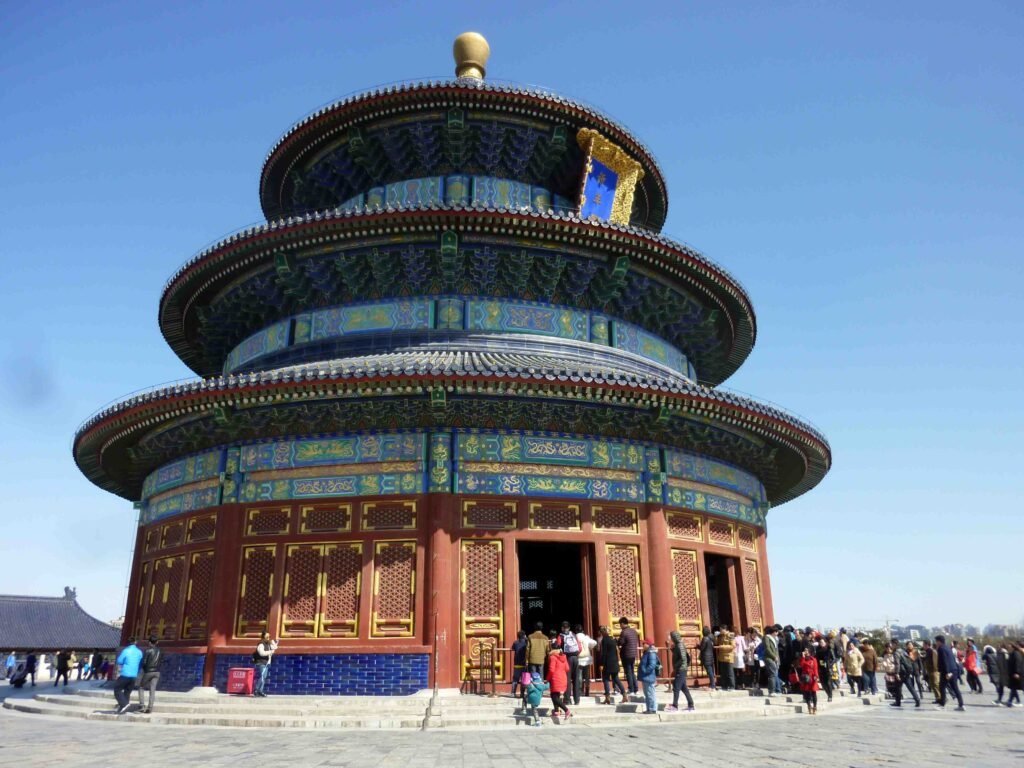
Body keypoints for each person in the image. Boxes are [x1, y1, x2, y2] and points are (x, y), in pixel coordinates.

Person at [665, 631, 695, 712]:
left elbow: (682, 658)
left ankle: (675, 705)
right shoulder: (678, 645)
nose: (671, 638)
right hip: (682, 668)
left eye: (672, 637)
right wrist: (672, 649)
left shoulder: (680, 646)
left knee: (676, 687)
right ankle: (691, 704)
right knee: (684, 688)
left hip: (681, 669)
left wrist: (676, 667)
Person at [111, 638, 143, 714]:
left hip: (125, 673)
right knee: (127, 692)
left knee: (117, 689)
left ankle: (125, 704)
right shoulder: (139, 652)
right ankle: (123, 708)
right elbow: (140, 661)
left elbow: (119, 661)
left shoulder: (126, 651)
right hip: (134, 674)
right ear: (135, 642)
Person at [597, 625, 626, 704]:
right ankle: (624, 694)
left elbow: (604, 653)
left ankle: (607, 697)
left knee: (605, 679)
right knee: (616, 679)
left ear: (603, 632)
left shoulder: (604, 640)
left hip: (607, 663)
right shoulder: (613, 639)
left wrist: (601, 664)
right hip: (614, 662)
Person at [934, 635, 965, 711]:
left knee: (942, 687)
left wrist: (948, 672)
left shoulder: (941, 648)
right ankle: (961, 705)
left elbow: (945, 660)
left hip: (946, 671)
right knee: (955, 688)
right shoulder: (948, 648)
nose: (936, 643)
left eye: (936, 641)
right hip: (954, 670)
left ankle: (942, 704)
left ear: (939, 641)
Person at [557, 621, 582, 705]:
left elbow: (557, 647)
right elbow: (580, 648)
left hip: (567, 659)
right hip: (576, 658)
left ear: (562, 628)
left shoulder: (560, 636)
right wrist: (576, 655)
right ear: (569, 628)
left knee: (567, 679)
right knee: (576, 679)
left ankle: (567, 699)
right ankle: (577, 699)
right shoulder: (574, 635)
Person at [545, 642, 571, 720]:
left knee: (554, 696)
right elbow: (567, 668)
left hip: (555, 678)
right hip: (563, 678)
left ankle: (566, 710)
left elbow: (551, 669)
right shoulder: (563, 656)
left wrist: (547, 678)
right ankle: (556, 711)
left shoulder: (553, 657)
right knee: (555, 695)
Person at [891, 641, 921, 707]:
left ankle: (898, 702)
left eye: (892, 644)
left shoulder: (896, 653)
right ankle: (917, 699)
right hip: (907, 672)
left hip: (901, 672)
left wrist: (897, 673)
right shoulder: (903, 651)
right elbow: (909, 660)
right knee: (910, 687)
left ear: (895, 645)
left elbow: (897, 663)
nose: (891, 646)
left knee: (898, 688)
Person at [136, 636, 162, 714]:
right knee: (152, 689)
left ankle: (142, 705)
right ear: (157, 642)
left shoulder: (148, 651)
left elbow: (144, 662)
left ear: (149, 642)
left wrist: (143, 670)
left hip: (148, 671)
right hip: (157, 672)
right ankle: (150, 707)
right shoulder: (160, 651)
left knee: (141, 687)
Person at [616, 617, 640, 696]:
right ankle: (636, 689)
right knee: (632, 671)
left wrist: (617, 641)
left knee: (628, 672)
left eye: (620, 624)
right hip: (633, 654)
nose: (620, 626)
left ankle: (631, 689)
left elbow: (621, 642)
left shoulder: (624, 632)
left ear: (622, 624)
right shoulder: (634, 631)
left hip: (626, 654)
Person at [637, 638, 661, 714]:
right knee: (647, 693)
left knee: (650, 693)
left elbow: (652, 665)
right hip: (646, 676)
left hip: (649, 676)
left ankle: (652, 708)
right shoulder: (646, 652)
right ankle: (649, 708)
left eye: (644, 644)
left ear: (648, 645)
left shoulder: (651, 653)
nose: (643, 645)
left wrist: (645, 671)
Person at [252, 632, 278, 697]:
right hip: (261, 662)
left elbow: (275, 648)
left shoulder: (268, 644)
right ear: (263, 637)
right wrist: (270, 652)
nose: (268, 638)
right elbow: (261, 653)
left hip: (266, 663)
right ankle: (256, 690)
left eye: (269, 637)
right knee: (262, 677)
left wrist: (273, 643)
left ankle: (260, 691)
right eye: (267, 637)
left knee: (264, 677)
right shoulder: (261, 644)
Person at [574, 624, 597, 698]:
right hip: (587, 658)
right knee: (587, 675)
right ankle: (587, 689)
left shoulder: (574, 637)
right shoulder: (586, 637)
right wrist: (589, 647)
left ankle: (580, 690)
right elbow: (594, 642)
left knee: (579, 675)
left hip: (579, 657)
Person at [797, 647, 819, 714]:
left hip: (812, 677)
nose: (805, 651)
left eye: (806, 650)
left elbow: (815, 668)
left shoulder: (813, 659)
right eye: (804, 650)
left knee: (813, 693)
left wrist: (816, 676)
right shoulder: (803, 659)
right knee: (807, 693)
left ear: (809, 652)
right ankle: (809, 706)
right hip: (806, 677)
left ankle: (815, 706)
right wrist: (803, 657)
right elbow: (801, 665)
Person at [714, 626, 736, 691]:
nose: (720, 631)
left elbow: (733, 646)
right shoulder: (720, 636)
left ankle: (732, 686)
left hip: (728, 656)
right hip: (722, 657)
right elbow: (716, 643)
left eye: (721, 630)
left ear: (725, 629)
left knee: (729, 673)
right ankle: (724, 686)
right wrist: (715, 636)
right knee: (723, 673)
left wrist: (722, 647)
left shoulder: (731, 635)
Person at [763, 625, 781, 695]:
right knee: (772, 674)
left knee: (775, 674)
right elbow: (767, 648)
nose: (777, 633)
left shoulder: (775, 639)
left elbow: (776, 650)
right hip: (769, 657)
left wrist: (777, 659)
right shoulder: (767, 637)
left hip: (775, 658)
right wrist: (774, 656)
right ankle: (771, 691)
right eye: (776, 632)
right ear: (773, 632)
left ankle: (776, 690)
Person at [815, 636, 834, 703]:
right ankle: (828, 694)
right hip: (821, 668)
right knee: (823, 684)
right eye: (820, 642)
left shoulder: (829, 649)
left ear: (825, 642)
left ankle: (830, 696)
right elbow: (816, 658)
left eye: (822, 642)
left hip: (828, 668)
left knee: (828, 682)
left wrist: (829, 663)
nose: (821, 643)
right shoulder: (818, 649)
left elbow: (834, 659)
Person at [510, 630, 527, 699]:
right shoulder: (526, 642)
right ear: (524, 635)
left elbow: (513, 648)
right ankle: (522, 694)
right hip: (523, 664)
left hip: (516, 664)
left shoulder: (515, 642)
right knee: (523, 680)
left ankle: (513, 693)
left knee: (515, 679)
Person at [1006, 640, 1023, 707]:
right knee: (1013, 688)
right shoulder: (1012, 653)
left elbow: (1018, 663)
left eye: (1009, 646)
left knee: (1014, 688)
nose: (1008, 647)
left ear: (1012, 646)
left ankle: (1013, 701)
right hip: (1012, 673)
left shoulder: (1016, 653)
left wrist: (1017, 672)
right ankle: (1013, 701)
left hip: (1015, 673)